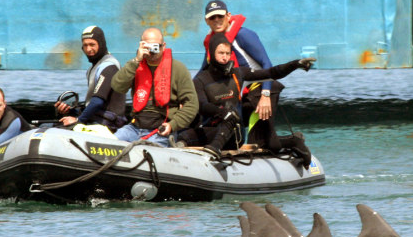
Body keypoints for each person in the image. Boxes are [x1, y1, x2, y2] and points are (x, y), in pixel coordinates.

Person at [177, 33, 315, 168]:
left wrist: (295, 64)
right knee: (185, 136)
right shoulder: (200, 79)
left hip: (234, 133)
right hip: (212, 130)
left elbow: (271, 73)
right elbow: (201, 105)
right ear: (212, 53)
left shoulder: (238, 73)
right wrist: (220, 112)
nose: (225, 58)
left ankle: (215, 150)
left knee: (231, 113)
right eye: (221, 53)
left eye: (227, 53)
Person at [111, 27, 199, 147]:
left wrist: (173, 125)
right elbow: (117, 86)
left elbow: (192, 104)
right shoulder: (134, 66)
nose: (152, 50)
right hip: (134, 128)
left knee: (147, 153)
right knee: (110, 142)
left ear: (163, 46)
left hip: (161, 130)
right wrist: (136, 60)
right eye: (148, 46)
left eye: (156, 46)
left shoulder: (178, 69)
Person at [55, 26, 127, 131]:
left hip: (110, 124)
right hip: (97, 118)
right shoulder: (92, 69)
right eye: (85, 45)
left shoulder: (109, 66)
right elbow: (92, 106)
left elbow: (97, 102)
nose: (88, 49)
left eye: (92, 44)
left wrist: (78, 121)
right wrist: (69, 111)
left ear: (101, 44)